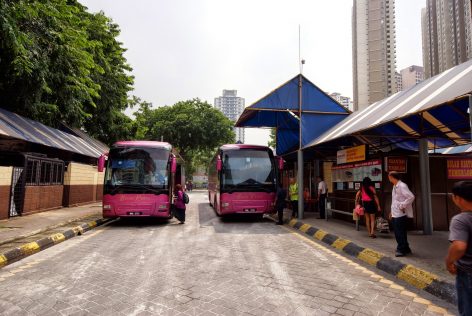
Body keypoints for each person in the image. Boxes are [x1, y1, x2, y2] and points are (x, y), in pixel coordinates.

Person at [445, 181, 472, 316]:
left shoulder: (461, 220)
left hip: (468, 272)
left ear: (458, 198)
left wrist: (449, 262)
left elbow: (459, 246)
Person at [388, 171, 414, 257]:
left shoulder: (402, 186)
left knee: (399, 232)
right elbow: (393, 200)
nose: (389, 179)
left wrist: (402, 205)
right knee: (399, 231)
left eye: (389, 177)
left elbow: (411, 197)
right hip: (395, 212)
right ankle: (406, 247)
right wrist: (391, 212)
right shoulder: (394, 186)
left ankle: (401, 249)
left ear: (392, 177)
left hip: (400, 213)